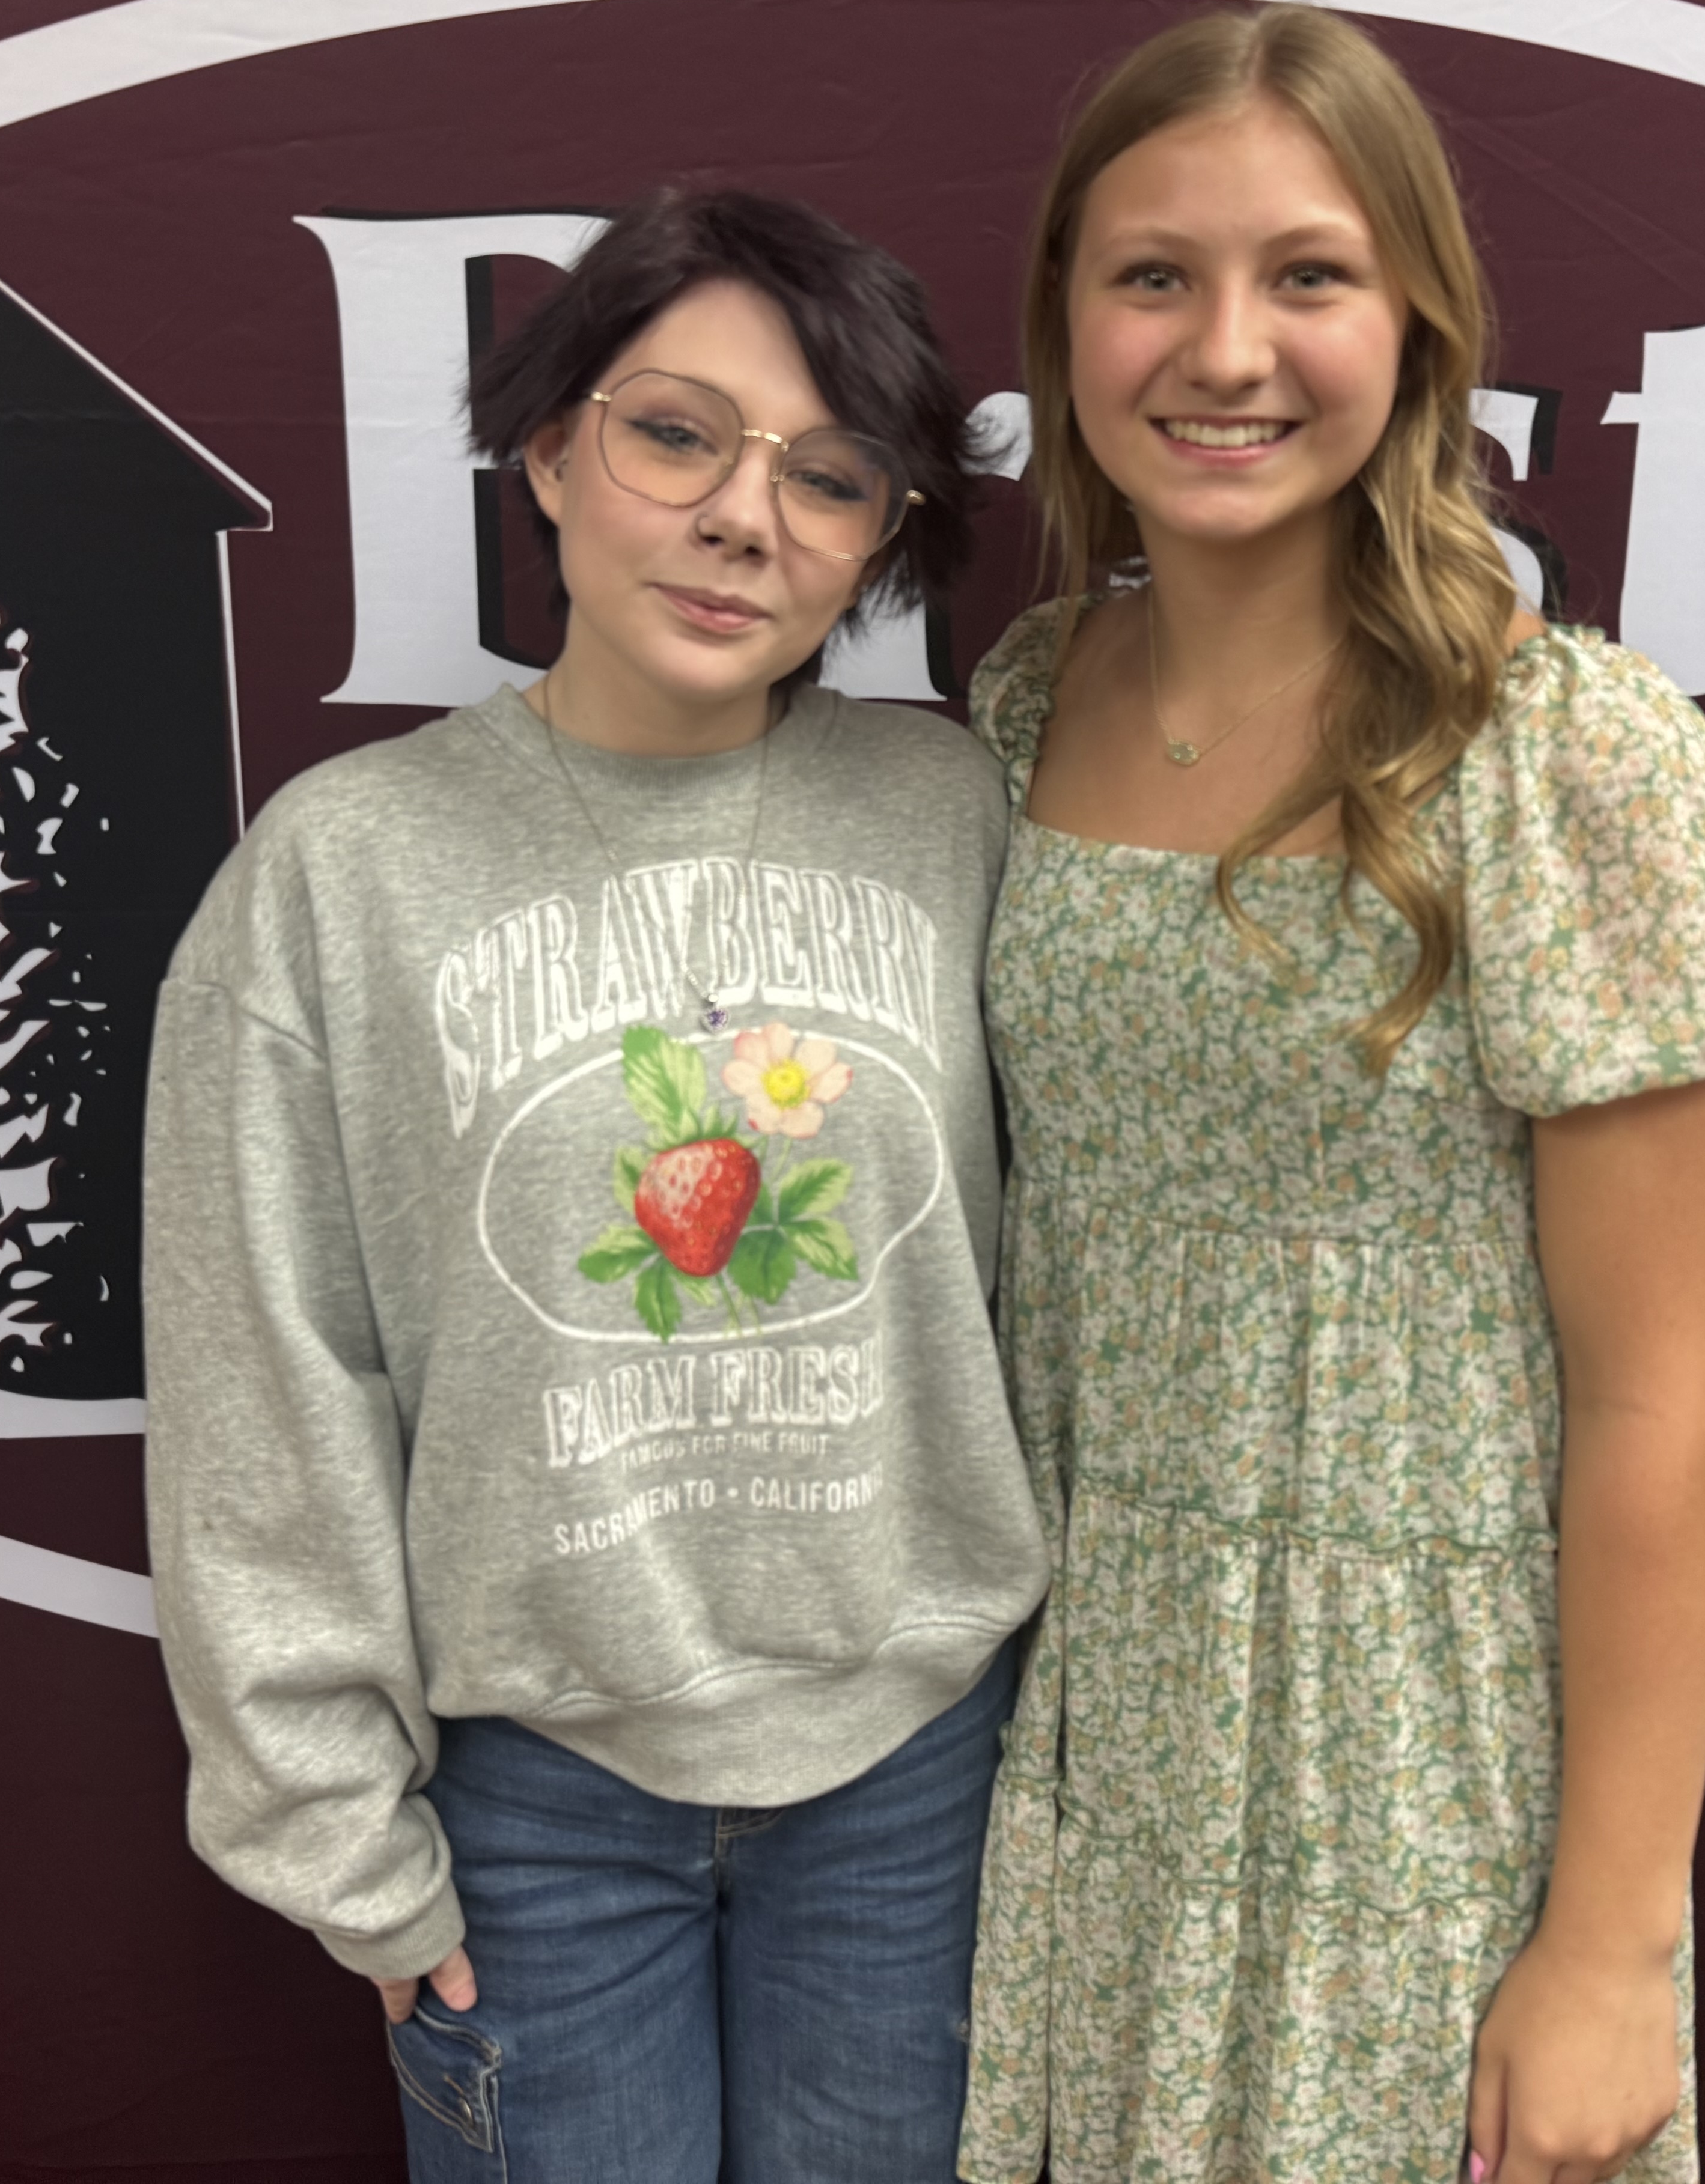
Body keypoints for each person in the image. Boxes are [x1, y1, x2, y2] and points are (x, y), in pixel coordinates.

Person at [955, 7, 1705, 2184]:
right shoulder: (1018, 694)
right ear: (1067, 315)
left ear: (1421, 322)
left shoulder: (1573, 755)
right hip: (1068, 1736)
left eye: (1310, 276)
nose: (1226, 348)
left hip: (1404, 1769)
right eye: (1155, 273)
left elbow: (1660, 1411)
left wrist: (1611, 1947)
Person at [140, 187, 1048, 2183]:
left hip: (913, 1772)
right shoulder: (342, 868)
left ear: (887, 537)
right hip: (533, 1801)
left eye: (832, 476)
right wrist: (340, 1840)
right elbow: (261, 1376)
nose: (748, 518)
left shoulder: (959, 816)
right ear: (550, 446)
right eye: (676, 434)